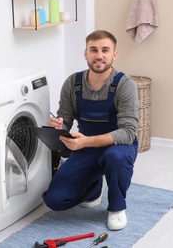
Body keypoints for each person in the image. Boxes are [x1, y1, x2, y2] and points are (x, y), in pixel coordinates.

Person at [42, 30, 139, 231]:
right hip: (86, 148)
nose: (99, 55)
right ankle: (95, 186)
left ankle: (117, 207)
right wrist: (59, 126)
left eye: (105, 50)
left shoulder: (124, 84)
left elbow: (128, 132)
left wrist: (86, 141)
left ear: (114, 54)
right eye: (93, 50)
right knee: (55, 200)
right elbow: (66, 121)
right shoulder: (72, 83)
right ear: (85, 53)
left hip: (119, 147)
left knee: (115, 158)